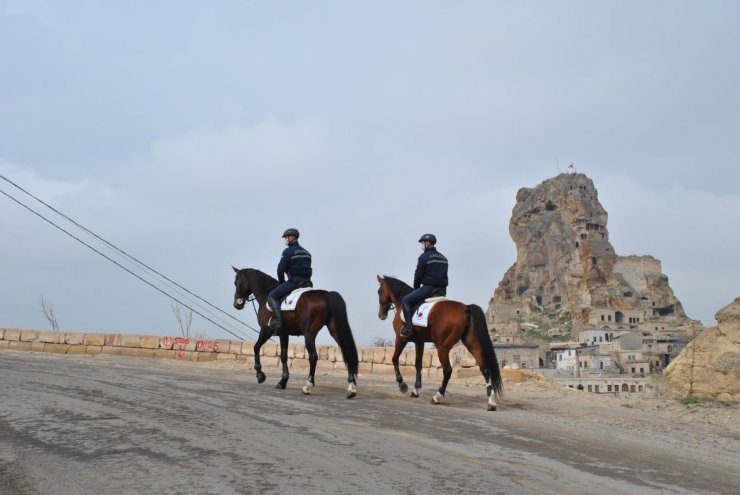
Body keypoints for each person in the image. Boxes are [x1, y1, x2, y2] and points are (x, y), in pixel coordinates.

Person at [400, 233, 448, 339]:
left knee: (406, 301)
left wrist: (415, 289)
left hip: (428, 288)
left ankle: (408, 328)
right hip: (442, 290)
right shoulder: (444, 258)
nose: (422, 245)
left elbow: (418, 275)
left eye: (422, 242)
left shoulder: (424, 257)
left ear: (427, 243)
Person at [266, 228, 312, 334]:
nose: (285, 240)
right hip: (307, 283)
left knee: (271, 296)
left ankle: (278, 321)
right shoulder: (307, 253)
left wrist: (281, 283)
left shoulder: (288, 251)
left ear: (291, 237)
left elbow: (280, 270)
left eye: (286, 237)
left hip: (294, 282)